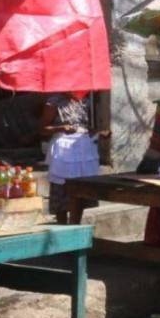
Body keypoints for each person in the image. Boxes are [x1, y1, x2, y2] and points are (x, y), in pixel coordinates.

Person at [39, 91, 108, 224]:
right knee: (62, 186)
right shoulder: (53, 102)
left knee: (81, 186)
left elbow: (84, 126)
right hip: (63, 150)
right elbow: (42, 128)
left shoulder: (84, 101)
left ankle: (76, 224)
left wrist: (97, 132)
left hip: (83, 148)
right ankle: (61, 224)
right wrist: (60, 128)